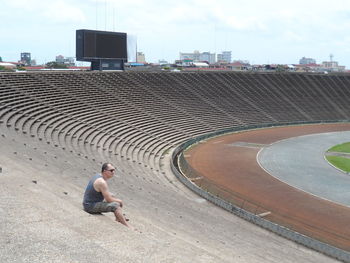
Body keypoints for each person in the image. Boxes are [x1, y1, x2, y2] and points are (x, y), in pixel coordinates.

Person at [83, 163, 132, 229]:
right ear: (105, 171)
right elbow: (109, 200)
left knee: (112, 196)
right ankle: (127, 226)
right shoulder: (102, 182)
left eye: (114, 170)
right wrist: (120, 201)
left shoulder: (98, 176)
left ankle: (118, 218)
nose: (113, 172)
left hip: (89, 202)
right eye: (111, 170)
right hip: (90, 206)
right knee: (116, 205)